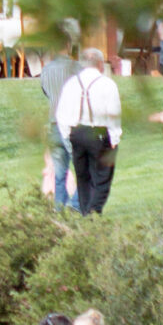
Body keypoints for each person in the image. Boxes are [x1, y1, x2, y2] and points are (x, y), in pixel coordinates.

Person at [54, 46, 122, 214]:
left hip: (76, 132)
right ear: (100, 64)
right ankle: (94, 210)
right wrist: (114, 138)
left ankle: (85, 211)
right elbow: (113, 113)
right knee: (102, 176)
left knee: (83, 176)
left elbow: (61, 114)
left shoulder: (71, 84)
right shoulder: (107, 84)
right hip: (98, 132)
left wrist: (67, 136)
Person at [38, 41, 80, 209]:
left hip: (54, 123)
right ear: (68, 46)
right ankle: (74, 204)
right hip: (73, 123)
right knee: (84, 169)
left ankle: (59, 208)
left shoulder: (46, 70)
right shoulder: (76, 68)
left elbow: (46, 91)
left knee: (60, 172)